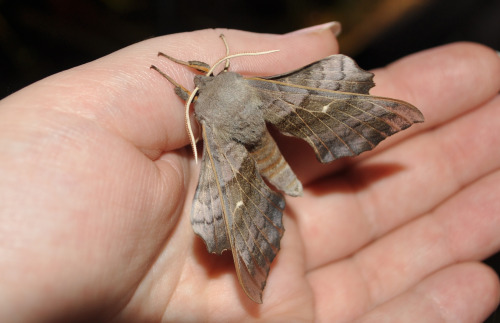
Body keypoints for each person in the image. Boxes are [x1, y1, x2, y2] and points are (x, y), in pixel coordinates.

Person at [0, 22, 499, 322]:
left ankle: (372, 124)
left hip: (245, 135)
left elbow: (189, 94)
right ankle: (255, 252)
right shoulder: (227, 94)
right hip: (266, 114)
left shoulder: (204, 106)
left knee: (330, 99)